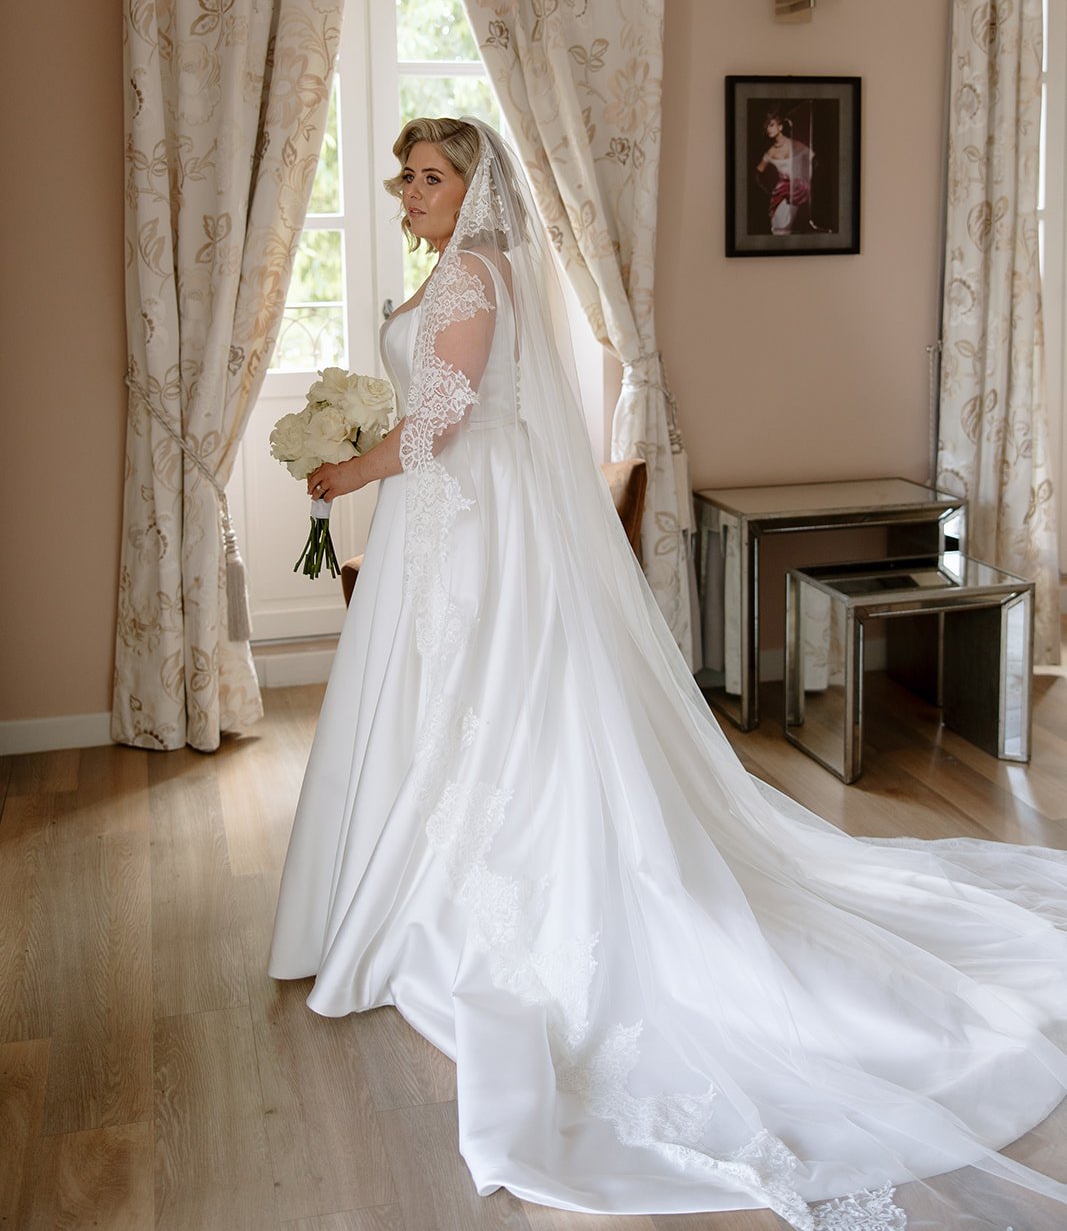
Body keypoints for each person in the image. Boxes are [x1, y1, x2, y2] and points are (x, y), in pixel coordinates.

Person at [270, 117, 1067, 1229]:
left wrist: (346, 470)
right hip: (446, 522)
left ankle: (456, 886)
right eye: (405, 175)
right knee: (444, 704)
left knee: (486, 702)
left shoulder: (474, 276)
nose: (409, 190)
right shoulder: (458, 273)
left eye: (430, 176)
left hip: (473, 522)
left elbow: (442, 424)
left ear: (472, 188)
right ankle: (410, 872)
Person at [756, 109, 817, 235]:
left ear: (780, 127)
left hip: (796, 191)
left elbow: (814, 160)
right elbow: (758, 173)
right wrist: (769, 190)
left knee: (785, 226)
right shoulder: (770, 152)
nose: (768, 129)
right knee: (777, 226)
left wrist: (806, 180)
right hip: (779, 193)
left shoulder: (795, 144)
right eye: (766, 127)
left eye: (771, 125)